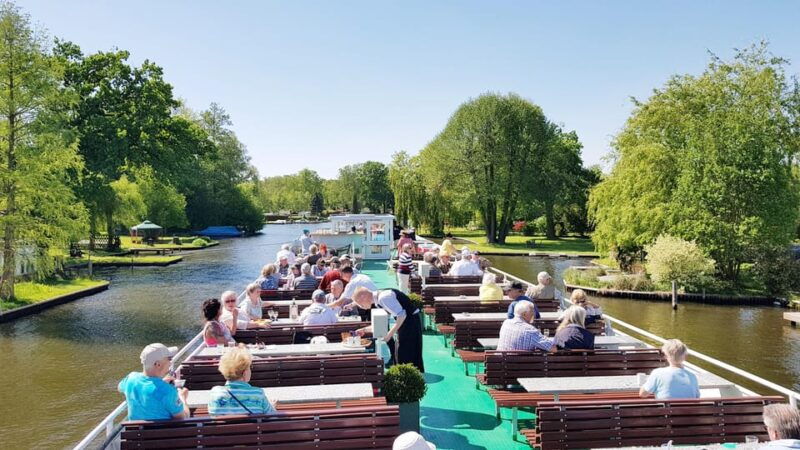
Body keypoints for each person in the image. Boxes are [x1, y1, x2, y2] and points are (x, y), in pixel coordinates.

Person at [351, 287, 424, 372]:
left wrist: (389, 334)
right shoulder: (379, 299)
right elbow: (381, 323)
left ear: (363, 297)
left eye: (359, 303)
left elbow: (402, 315)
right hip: (407, 323)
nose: (361, 307)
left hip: (410, 323)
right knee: (402, 355)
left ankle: (411, 379)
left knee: (406, 355)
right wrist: (364, 330)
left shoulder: (384, 298)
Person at [118, 343, 190, 420]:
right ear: (158, 364)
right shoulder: (168, 391)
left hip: (135, 431)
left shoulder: (130, 378)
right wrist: (183, 398)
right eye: (169, 359)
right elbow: (183, 418)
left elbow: (120, 388)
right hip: (164, 432)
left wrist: (160, 383)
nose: (170, 363)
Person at [207, 345, 274, 416]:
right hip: (253, 427)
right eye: (249, 367)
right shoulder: (257, 394)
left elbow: (212, 414)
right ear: (245, 373)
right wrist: (272, 406)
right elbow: (272, 416)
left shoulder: (215, 393)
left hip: (221, 427)